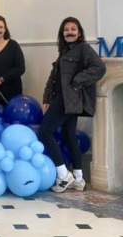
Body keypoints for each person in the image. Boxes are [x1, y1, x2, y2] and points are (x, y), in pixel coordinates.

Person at [39, 17, 106, 193]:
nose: (69, 32)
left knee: (45, 131)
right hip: (64, 99)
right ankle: (78, 179)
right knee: (69, 136)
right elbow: (52, 79)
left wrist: (77, 81)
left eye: (73, 29)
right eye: (66, 29)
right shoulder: (64, 52)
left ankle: (63, 174)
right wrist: (46, 99)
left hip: (69, 99)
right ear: (62, 33)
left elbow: (99, 67)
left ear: (79, 32)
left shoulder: (83, 48)